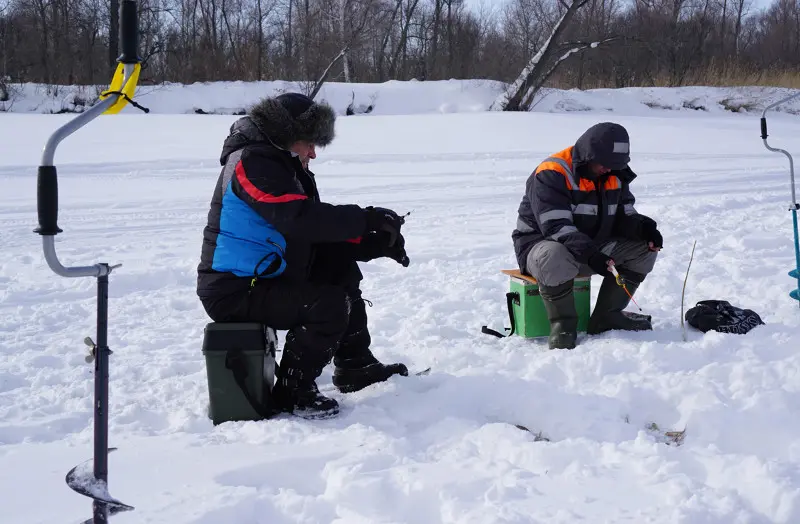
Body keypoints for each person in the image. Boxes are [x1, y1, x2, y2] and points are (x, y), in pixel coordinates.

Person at [197, 92, 410, 420]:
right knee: (326, 305)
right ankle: (293, 390)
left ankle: (354, 364)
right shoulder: (250, 162)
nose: (313, 152)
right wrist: (366, 218)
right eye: (308, 142)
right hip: (233, 288)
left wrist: (373, 243)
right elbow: (298, 217)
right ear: (285, 135)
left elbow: (311, 237)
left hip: (265, 273)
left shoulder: (284, 164)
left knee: (338, 266)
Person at [512, 122, 662, 350]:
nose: (608, 170)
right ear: (588, 155)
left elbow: (624, 213)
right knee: (553, 254)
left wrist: (644, 228)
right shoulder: (552, 173)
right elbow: (556, 227)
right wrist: (592, 255)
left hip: (592, 248)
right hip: (542, 250)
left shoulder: (614, 173)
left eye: (614, 165)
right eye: (604, 164)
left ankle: (607, 316)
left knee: (644, 249)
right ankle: (562, 324)